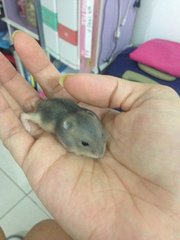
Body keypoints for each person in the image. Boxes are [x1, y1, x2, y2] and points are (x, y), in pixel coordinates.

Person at [0, 31, 179, 240]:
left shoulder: (89, 120)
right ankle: (26, 118)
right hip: (49, 112)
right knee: (35, 116)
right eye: (86, 144)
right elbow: (67, 142)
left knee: (44, 229)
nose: (98, 150)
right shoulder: (66, 128)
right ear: (68, 127)